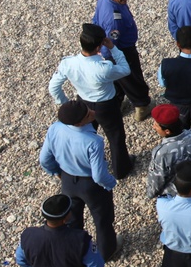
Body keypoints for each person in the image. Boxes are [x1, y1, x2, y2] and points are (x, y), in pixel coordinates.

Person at [39, 100, 123, 261]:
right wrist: (110, 183)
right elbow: (99, 174)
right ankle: (107, 251)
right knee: (102, 220)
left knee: (72, 219)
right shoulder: (94, 141)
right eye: (88, 114)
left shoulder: (55, 128)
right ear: (78, 123)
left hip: (68, 180)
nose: (92, 112)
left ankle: (76, 250)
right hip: (91, 185)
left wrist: (56, 172)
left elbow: (44, 159)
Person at [48, 23, 133, 180]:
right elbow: (125, 69)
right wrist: (113, 48)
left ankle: (85, 165)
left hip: (83, 103)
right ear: (99, 47)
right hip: (106, 105)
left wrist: (66, 104)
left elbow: (54, 87)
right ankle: (121, 169)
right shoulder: (103, 67)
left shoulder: (68, 63)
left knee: (84, 136)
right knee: (115, 137)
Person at [92, 0, 151, 122]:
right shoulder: (114, 18)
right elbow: (111, 43)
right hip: (122, 50)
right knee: (132, 78)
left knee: (116, 81)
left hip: (115, 49)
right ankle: (142, 106)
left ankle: (116, 104)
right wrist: (109, 58)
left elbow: (95, 20)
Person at [146, 104, 191, 204]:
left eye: (156, 125)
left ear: (167, 131)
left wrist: (150, 194)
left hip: (175, 199)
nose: (153, 127)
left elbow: (157, 181)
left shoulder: (162, 153)